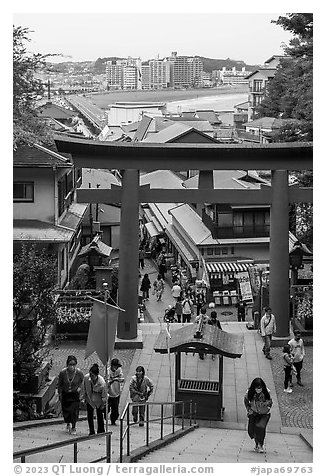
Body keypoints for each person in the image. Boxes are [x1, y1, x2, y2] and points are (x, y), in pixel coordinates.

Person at [244, 377, 273, 453]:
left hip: (264, 413)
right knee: (252, 430)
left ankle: (260, 445)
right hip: (254, 413)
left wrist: (266, 405)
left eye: (259, 388)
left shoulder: (266, 392)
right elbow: (246, 400)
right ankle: (257, 444)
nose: (258, 390)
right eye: (256, 388)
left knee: (260, 427)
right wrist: (249, 409)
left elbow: (270, 401)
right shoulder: (249, 392)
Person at [57, 355, 84, 435]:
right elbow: (60, 384)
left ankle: (73, 426)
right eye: (70, 364)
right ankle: (68, 423)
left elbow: (83, 381)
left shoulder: (79, 373)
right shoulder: (63, 373)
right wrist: (59, 393)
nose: (72, 367)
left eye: (73, 364)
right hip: (66, 394)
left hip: (74, 395)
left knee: (74, 411)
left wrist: (80, 388)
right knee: (66, 411)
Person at [82, 363, 106, 435]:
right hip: (89, 398)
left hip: (99, 400)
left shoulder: (101, 382)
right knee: (90, 414)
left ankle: (101, 430)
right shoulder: (86, 378)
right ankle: (91, 431)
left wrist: (103, 403)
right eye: (90, 375)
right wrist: (84, 397)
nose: (91, 377)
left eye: (93, 376)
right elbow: (84, 388)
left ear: (96, 375)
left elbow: (104, 395)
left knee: (99, 414)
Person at [107, 358, 124, 425]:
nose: (116, 368)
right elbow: (107, 382)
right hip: (109, 393)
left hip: (117, 392)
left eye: (117, 367)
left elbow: (122, 379)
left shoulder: (119, 370)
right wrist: (112, 380)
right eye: (115, 366)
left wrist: (115, 379)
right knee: (107, 407)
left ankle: (113, 420)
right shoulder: (108, 371)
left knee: (115, 409)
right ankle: (105, 415)